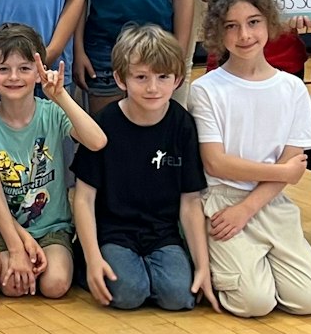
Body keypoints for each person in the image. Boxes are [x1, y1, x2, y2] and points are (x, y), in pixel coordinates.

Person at [190, 0, 311, 318]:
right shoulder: (206, 89)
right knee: (254, 303)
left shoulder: (292, 88)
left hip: (269, 200)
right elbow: (216, 162)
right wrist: (281, 173)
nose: (244, 35)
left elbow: (292, 158)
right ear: (216, 32)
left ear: (268, 21)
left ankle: (267, 263)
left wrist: (249, 206)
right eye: (231, 27)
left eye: (253, 22)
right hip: (222, 203)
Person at [71, 27, 215, 313]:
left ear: (178, 80)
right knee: (128, 294)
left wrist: (202, 267)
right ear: (120, 79)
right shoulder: (105, 123)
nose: (153, 88)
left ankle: (149, 271)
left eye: (163, 77)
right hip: (114, 233)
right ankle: (90, 264)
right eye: (141, 77)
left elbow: (190, 202)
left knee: (180, 298)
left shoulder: (182, 124)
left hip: (162, 233)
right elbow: (83, 198)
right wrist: (93, 257)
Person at [0, 24, 108, 299]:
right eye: (4, 69)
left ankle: (69, 258)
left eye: (24, 68)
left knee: (54, 285)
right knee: (12, 286)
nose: (14, 77)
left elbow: (97, 141)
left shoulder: (52, 112)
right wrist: (17, 245)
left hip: (52, 228)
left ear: (39, 70)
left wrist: (61, 97)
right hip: (5, 227)